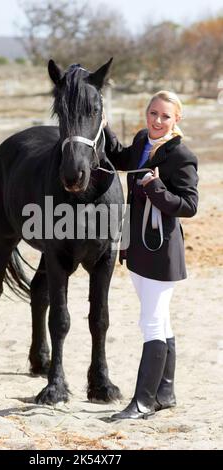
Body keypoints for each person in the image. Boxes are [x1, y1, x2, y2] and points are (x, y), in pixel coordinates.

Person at [103, 90, 199, 420]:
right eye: (153, 113)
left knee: (151, 322)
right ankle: (165, 392)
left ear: (177, 120)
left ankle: (143, 402)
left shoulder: (181, 156)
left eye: (165, 116)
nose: (157, 121)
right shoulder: (144, 140)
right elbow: (121, 159)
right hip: (138, 248)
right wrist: (101, 127)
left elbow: (189, 205)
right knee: (162, 320)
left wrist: (155, 188)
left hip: (161, 252)